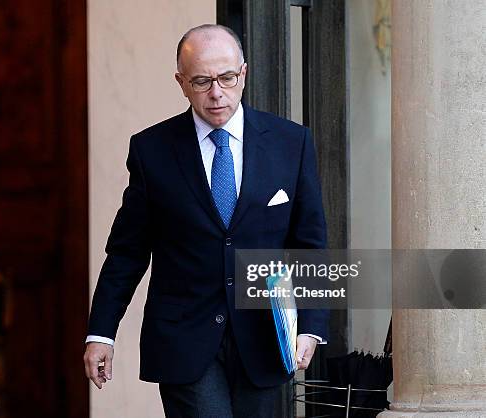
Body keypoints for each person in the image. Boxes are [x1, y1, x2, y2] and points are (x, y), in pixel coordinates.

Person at [84, 24, 329, 418]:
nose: (217, 93)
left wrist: (311, 326)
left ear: (243, 74)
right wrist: (101, 333)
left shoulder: (291, 143)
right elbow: (127, 252)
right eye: (201, 81)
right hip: (184, 339)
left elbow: (310, 243)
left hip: (266, 337)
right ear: (181, 82)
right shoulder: (152, 150)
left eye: (227, 78)